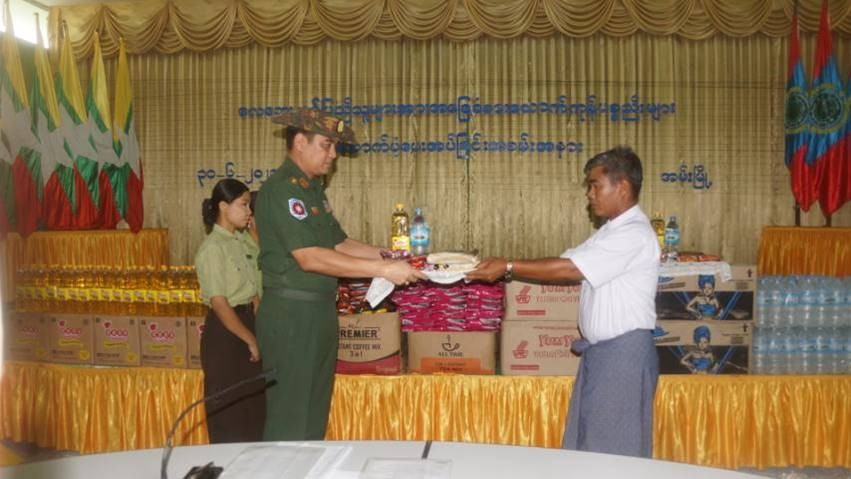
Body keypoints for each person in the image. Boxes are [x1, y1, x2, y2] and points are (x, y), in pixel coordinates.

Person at [467, 146, 660, 458]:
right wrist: (504, 264)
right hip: (605, 355)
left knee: (612, 452)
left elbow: (570, 269)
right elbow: (565, 261)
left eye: (595, 185)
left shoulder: (633, 234)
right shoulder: (611, 231)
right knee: (591, 443)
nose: (589, 194)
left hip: (622, 357)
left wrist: (508, 266)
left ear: (622, 186)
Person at [254, 108, 425, 441]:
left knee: (314, 412)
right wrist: (384, 270)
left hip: (318, 311)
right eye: (326, 145)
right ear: (299, 142)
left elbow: (339, 243)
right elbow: (309, 257)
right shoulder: (283, 190)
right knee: (291, 415)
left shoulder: (311, 190)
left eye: (334, 146)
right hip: (292, 316)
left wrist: (396, 257)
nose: (333, 154)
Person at [194, 178, 266, 443]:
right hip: (226, 333)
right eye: (243, 205)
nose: (249, 211)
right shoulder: (212, 248)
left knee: (254, 409)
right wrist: (250, 339)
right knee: (229, 414)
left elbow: (254, 287)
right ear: (224, 206)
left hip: (248, 322)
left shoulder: (240, 240)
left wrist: (260, 328)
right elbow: (220, 303)